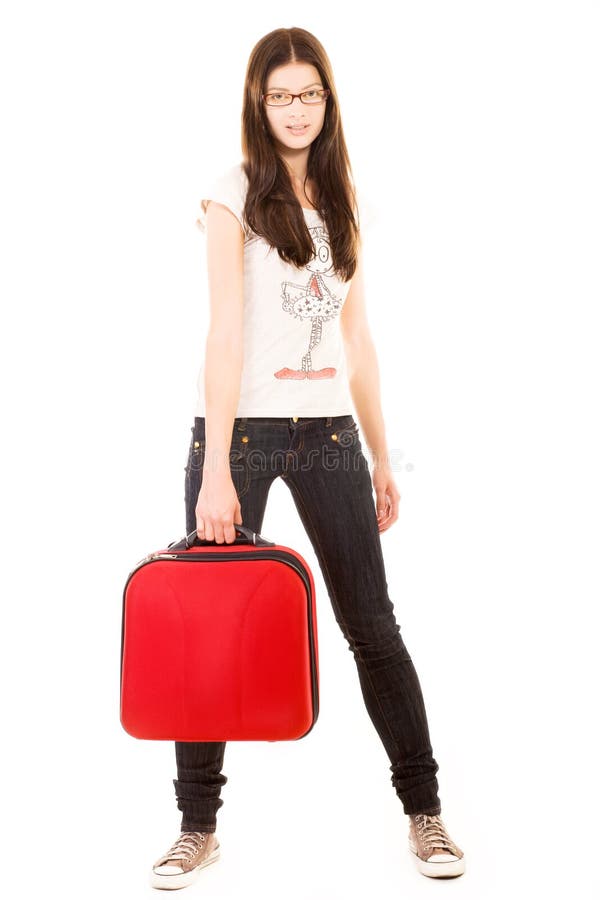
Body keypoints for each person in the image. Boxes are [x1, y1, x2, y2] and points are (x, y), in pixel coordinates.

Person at [150, 26, 465, 891]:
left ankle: (425, 812)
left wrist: (381, 455)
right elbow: (223, 335)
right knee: (210, 626)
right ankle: (196, 827)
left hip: (329, 436)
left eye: (310, 94)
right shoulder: (232, 195)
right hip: (242, 435)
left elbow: (357, 340)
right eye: (281, 95)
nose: (296, 109)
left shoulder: (344, 198)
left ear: (328, 100)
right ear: (259, 103)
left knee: (373, 627)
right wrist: (218, 471)